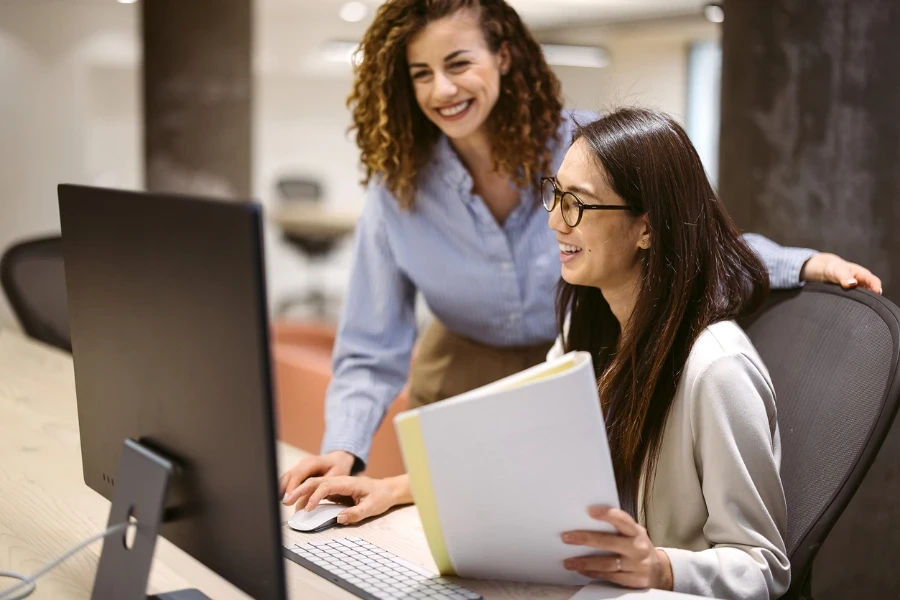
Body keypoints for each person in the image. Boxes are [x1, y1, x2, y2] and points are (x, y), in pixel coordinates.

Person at [279, 0, 882, 502]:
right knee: (449, 540)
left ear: (504, 56)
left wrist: (799, 264)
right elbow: (368, 346)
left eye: (459, 62)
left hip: (585, 368)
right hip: (461, 385)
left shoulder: (585, 151)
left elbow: (687, 231)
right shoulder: (399, 189)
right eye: (420, 73)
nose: (442, 89)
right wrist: (344, 451)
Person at [289, 107, 791, 599]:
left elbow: (762, 567)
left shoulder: (718, 370)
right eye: (555, 195)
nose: (554, 221)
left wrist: (660, 567)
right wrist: (395, 489)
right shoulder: (588, 330)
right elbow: (522, 463)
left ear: (647, 227)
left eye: (578, 204)